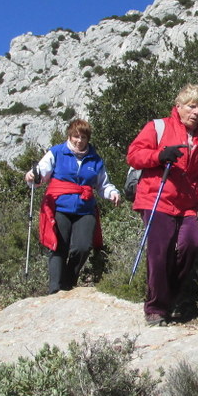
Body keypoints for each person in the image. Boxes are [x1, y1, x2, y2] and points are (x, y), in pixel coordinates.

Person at [127, 84, 198, 326]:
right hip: (156, 198)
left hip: (187, 204)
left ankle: (168, 298)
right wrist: (159, 155)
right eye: (192, 106)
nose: (197, 111)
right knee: (160, 254)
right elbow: (134, 155)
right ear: (178, 107)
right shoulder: (158, 127)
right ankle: (156, 309)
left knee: (192, 245)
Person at [26, 119, 121, 293]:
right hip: (59, 207)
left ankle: (68, 282)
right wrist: (33, 176)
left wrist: (112, 193)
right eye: (75, 136)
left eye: (83, 137)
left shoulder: (95, 160)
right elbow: (41, 173)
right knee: (58, 246)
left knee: (83, 247)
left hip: (85, 209)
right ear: (69, 136)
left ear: (88, 139)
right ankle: (55, 289)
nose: (79, 140)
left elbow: (103, 184)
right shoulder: (56, 153)